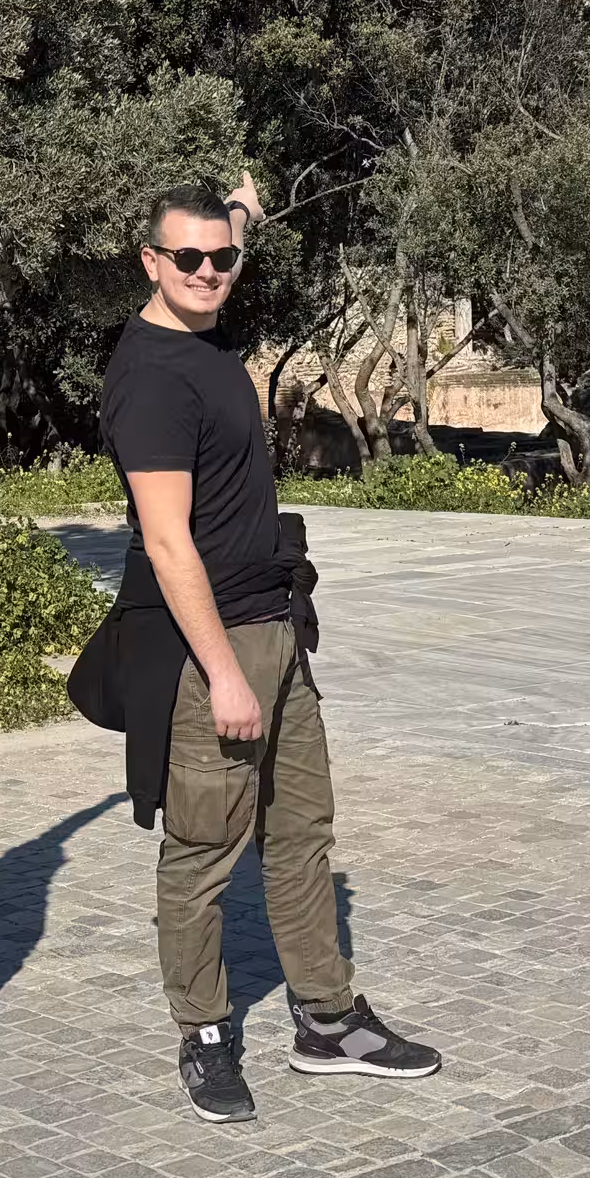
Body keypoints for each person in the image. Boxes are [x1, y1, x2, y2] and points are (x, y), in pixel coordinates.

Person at [77, 178, 442, 1123]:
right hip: (215, 651)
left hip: (277, 630)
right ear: (149, 261)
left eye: (222, 257)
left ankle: (327, 1020)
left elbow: (230, 225)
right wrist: (225, 675)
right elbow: (167, 543)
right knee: (204, 850)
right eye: (187, 257)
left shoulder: (204, 323)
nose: (209, 271)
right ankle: (203, 1034)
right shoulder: (152, 379)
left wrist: (244, 207)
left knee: (302, 833)